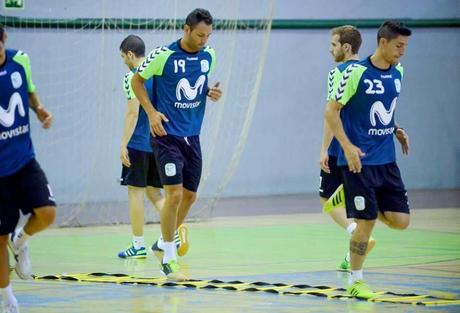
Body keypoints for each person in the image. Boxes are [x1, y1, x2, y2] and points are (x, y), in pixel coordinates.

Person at [131, 8, 222, 281]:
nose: (203, 40)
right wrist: (150, 112)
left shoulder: (209, 56)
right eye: (199, 35)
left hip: (192, 137)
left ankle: (162, 241)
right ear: (185, 29)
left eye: (207, 35)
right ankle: (168, 258)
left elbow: (197, 83)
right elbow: (137, 81)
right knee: (174, 195)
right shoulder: (163, 56)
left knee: (190, 196)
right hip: (166, 136)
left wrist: (209, 91)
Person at [325, 20, 411, 299]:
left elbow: (385, 108)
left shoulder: (398, 72)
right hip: (358, 161)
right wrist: (347, 147)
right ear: (383, 43)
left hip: (387, 160)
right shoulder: (355, 72)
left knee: (401, 221)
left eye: (405, 47)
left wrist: (396, 128)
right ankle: (356, 280)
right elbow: (332, 112)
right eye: (399, 46)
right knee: (365, 223)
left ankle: (351, 200)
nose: (402, 52)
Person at [0, 23, 56, 312]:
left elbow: (29, 93)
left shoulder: (19, 60)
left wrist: (39, 109)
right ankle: (8, 299)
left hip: (24, 160)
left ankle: (20, 241)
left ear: (4, 39)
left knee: (47, 213)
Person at [319, 25, 376, 271]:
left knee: (326, 199)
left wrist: (324, 149)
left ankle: (355, 233)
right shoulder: (367, 70)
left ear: (346, 47)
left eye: (333, 45)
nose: (330, 49)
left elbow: (333, 115)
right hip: (365, 150)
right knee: (357, 204)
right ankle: (351, 255)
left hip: (341, 150)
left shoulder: (339, 72)